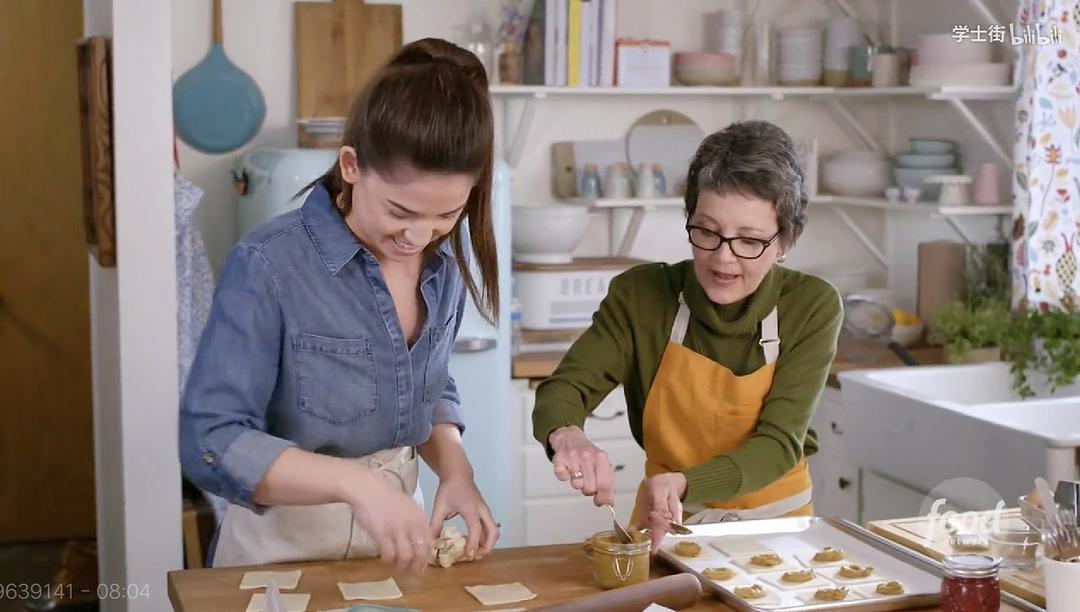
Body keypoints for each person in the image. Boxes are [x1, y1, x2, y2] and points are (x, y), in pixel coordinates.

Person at [180, 38, 500, 570]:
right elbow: (210, 438)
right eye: (400, 210)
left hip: (395, 545)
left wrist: (455, 470)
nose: (419, 236)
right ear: (351, 165)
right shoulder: (268, 265)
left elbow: (425, 383)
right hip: (279, 553)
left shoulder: (442, 268)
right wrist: (355, 485)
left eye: (446, 215)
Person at [531, 121, 843, 551]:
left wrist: (683, 482)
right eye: (707, 231)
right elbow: (565, 388)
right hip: (668, 527)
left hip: (778, 531)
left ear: (784, 240)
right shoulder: (641, 295)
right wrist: (567, 435)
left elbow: (777, 444)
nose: (723, 258)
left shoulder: (811, 306)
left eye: (749, 240)